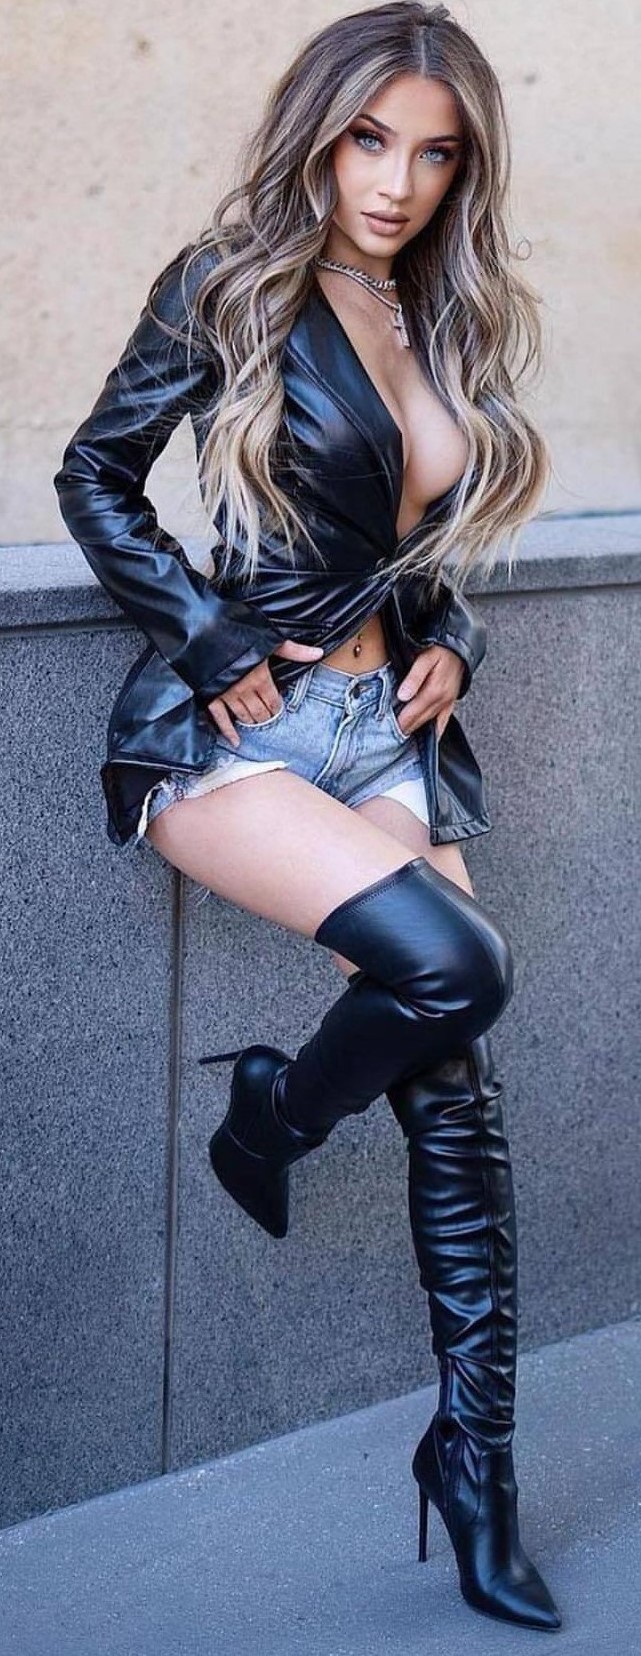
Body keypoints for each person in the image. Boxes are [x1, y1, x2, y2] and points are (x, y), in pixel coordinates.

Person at [54, 1, 562, 1634]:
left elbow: (420, 537)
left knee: (456, 1093)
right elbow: (95, 475)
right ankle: (266, 1111)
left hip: (385, 733)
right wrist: (203, 637)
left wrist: (449, 636)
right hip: (239, 736)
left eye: (434, 152)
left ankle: (472, 1467)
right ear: (318, 135)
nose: (395, 182)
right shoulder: (231, 283)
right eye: (368, 140)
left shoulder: (442, 311)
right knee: (455, 969)